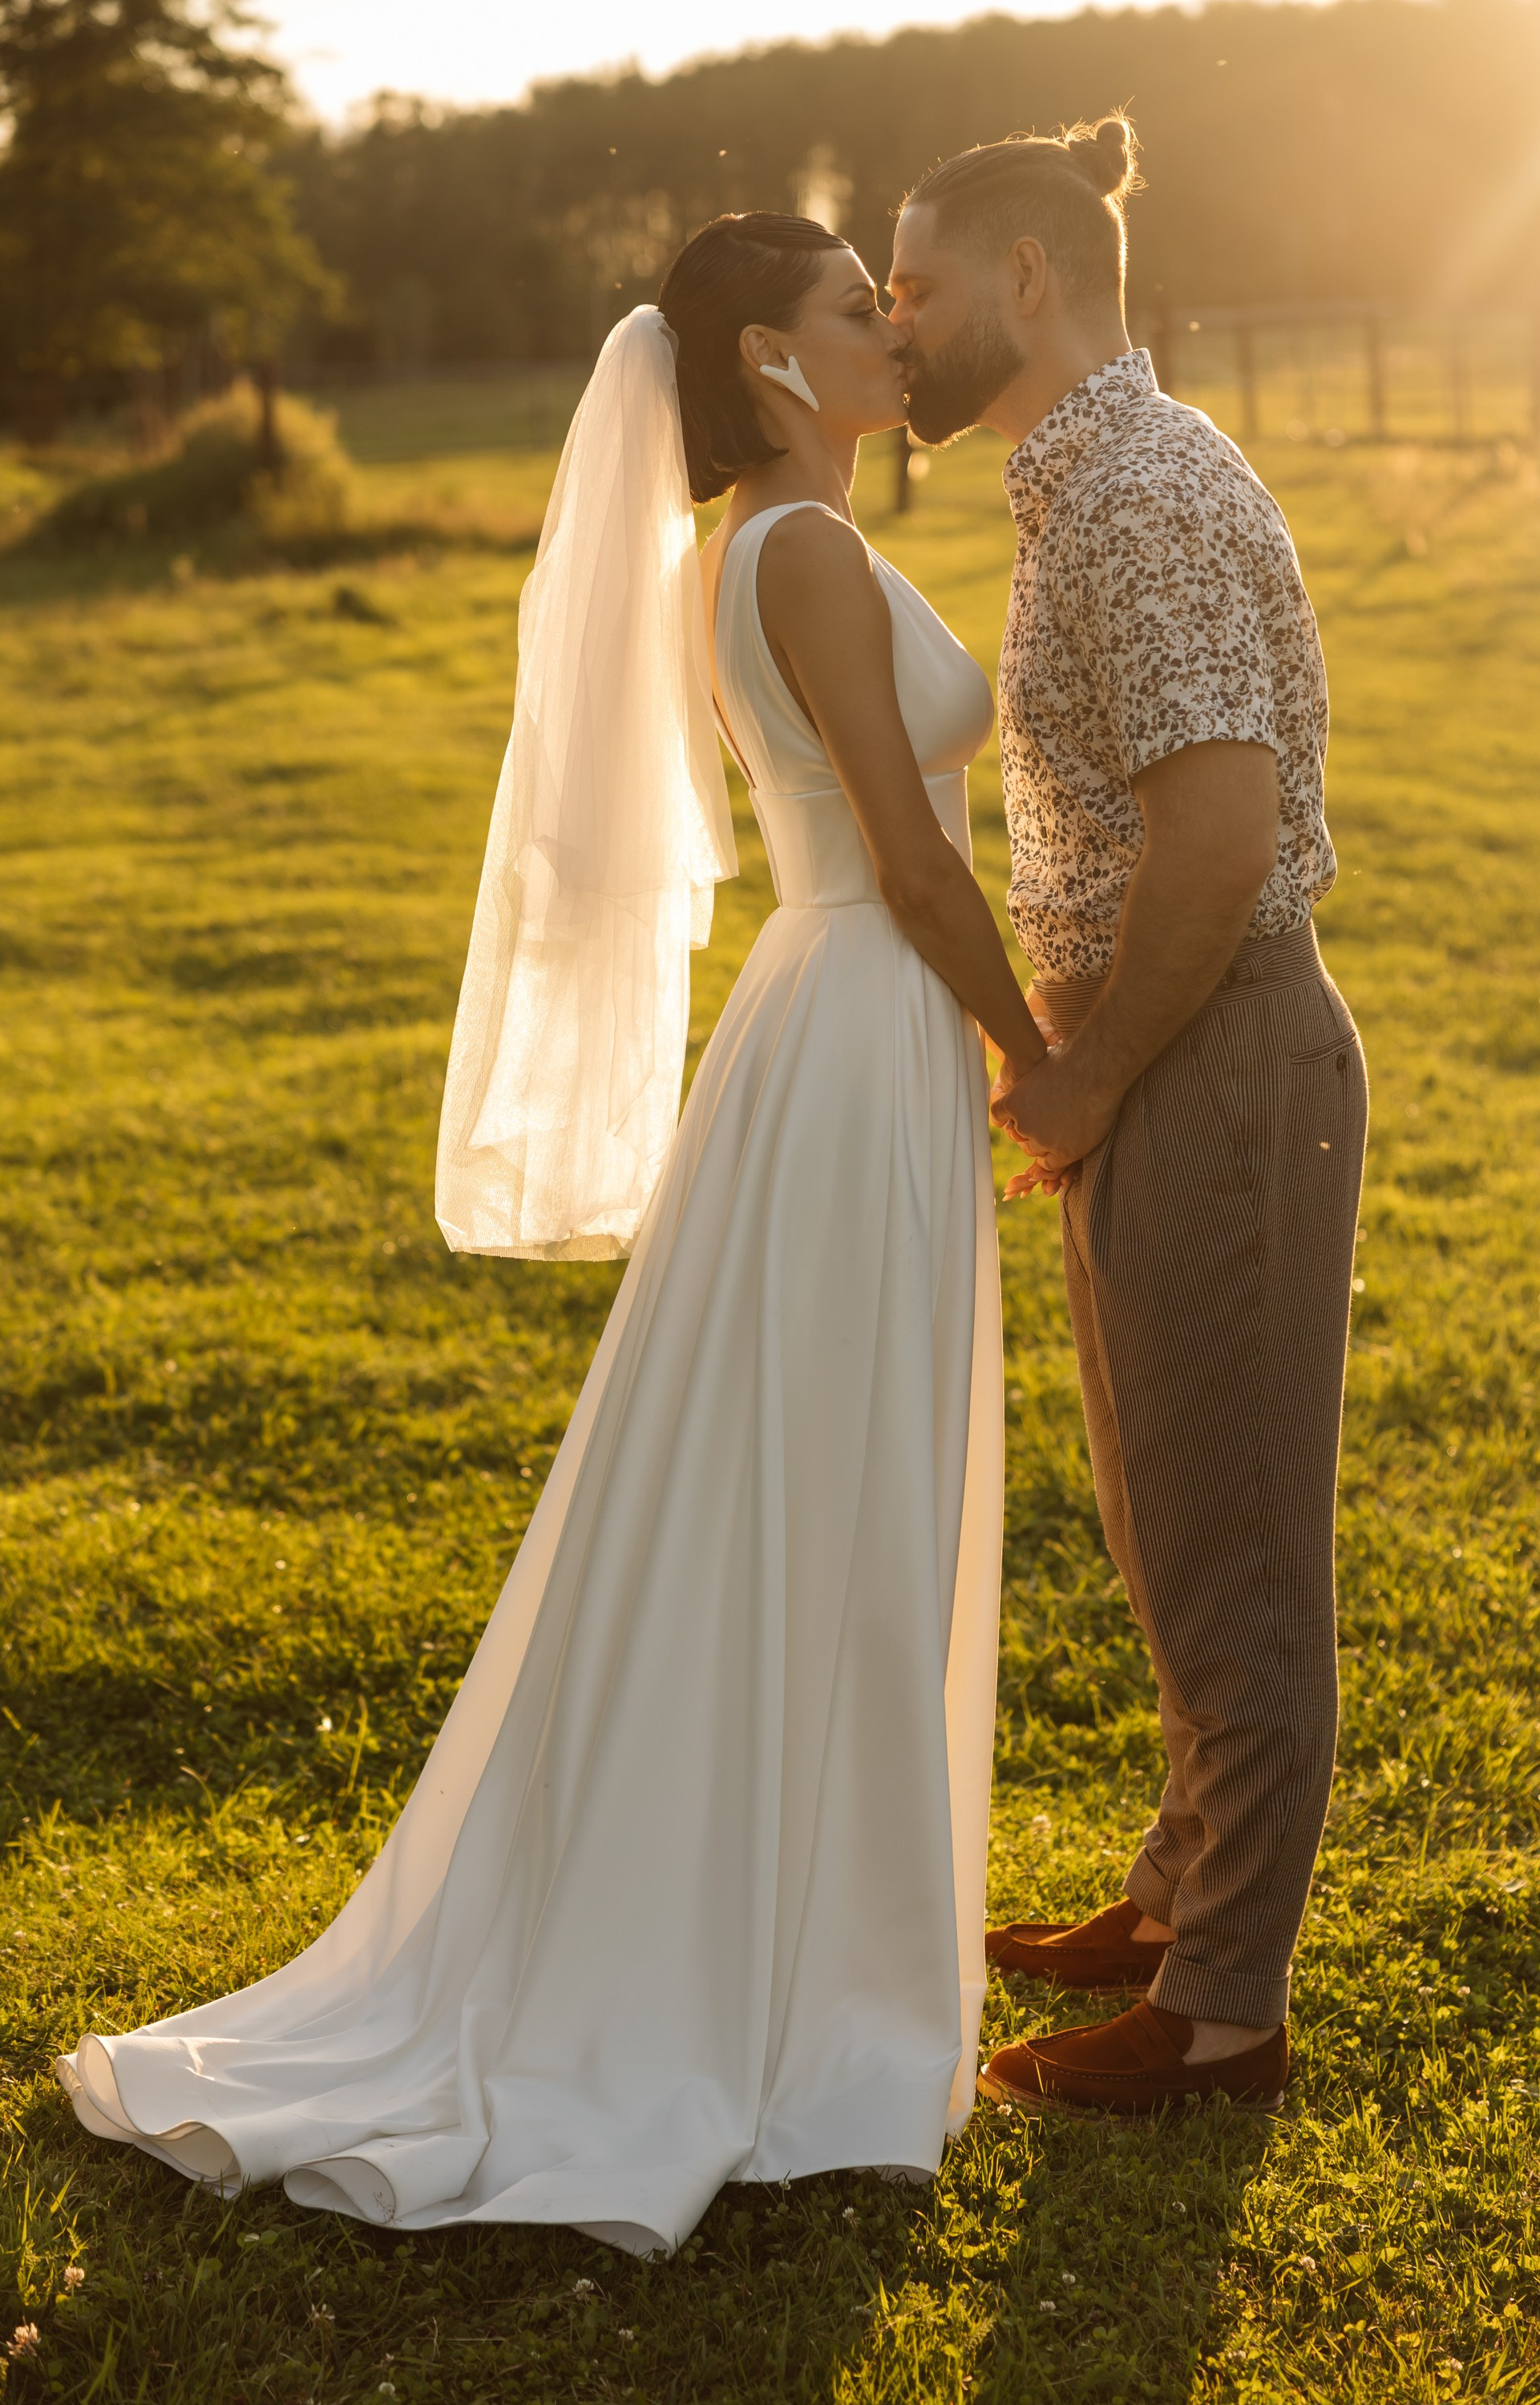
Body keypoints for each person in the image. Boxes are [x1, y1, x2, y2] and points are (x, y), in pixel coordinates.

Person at [56, 213, 1053, 2256]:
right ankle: (774, 1985)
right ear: (772, 364)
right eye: (862, 313)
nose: (896, 331)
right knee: (827, 1499)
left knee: (817, 1496)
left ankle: (800, 1942)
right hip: (865, 1018)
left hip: (829, 1031)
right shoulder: (804, 553)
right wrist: (1048, 1061)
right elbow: (913, 868)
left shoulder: (755, 554)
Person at [889, 114, 1366, 2114]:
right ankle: (1179, 1892)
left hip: (1213, 1054)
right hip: (1165, 1062)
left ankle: (1222, 2020)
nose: (893, 325)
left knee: (1237, 1555)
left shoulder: (1135, 494)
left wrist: (1083, 1066)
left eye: (910, 288)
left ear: (1024, 278)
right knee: (1174, 1525)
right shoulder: (1074, 482)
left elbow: (1220, 829)